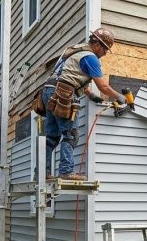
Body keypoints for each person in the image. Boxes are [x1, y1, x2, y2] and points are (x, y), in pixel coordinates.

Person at [41, 27, 126, 180]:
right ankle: (66, 171)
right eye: (105, 49)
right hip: (64, 93)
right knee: (70, 134)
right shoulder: (91, 57)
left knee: (51, 137)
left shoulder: (76, 51)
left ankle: (42, 173)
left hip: (49, 91)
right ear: (98, 45)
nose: (105, 53)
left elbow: (73, 76)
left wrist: (92, 96)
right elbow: (103, 86)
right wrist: (118, 96)